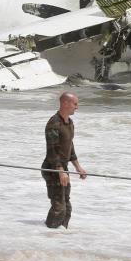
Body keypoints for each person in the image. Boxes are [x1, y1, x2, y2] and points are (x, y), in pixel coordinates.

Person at [41, 92, 88, 229]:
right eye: (75, 104)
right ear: (65, 103)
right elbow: (52, 151)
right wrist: (60, 171)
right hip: (52, 169)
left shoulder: (69, 122)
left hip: (62, 168)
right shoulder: (53, 123)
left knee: (67, 207)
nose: (77, 107)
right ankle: (47, 235)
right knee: (59, 207)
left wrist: (78, 167)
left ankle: (60, 239)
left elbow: (69, 146)